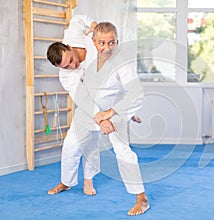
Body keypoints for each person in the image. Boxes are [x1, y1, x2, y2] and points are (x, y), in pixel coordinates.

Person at [46, 15, 141, 197]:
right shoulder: (66, 76)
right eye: (66, 66)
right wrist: (100, 119)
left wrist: (92, 24)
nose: (72, 66)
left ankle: (88, 180)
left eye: (72, 60)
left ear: (69, 46)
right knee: (71, 145)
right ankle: (66, 182)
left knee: (92, 144)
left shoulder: (78, 36)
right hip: (88, 105)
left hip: (110, 97)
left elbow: (78, 18)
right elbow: (83, 99)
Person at [81, 21, 149, 216]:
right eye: (102, 43)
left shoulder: (122, 62)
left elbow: (136, 93)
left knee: (121, 149)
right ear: (93, 42)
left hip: (115, 108)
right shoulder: (88, 49)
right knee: (84, 141)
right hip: (93, 107)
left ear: (117, 42)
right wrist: (99, 117)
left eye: (112, 43)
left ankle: (141, 198)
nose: (107, 48)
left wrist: (110, 114)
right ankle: (84, 179)